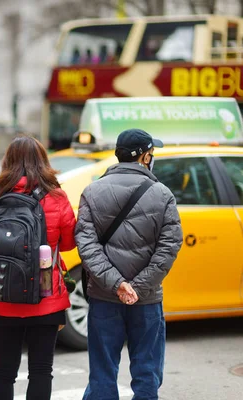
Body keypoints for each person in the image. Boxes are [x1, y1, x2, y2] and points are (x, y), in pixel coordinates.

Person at [75, 129, 183, 400]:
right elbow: (169, 247)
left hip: (103, 297)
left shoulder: (92, 191)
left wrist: (117, 284)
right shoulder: (162, 194)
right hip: (146, 300)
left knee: (102, 374)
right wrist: (138, 286)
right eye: (152, 153)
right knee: (147, 373)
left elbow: (87, 247)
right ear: (145, 156)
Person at [0, 135, 77, 400]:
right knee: (41, 370)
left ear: (7, 161)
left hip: (3, 292)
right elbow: (68, 244)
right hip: (45, 295)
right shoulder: (56, 196)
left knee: (4, 369)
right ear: (43, 161)